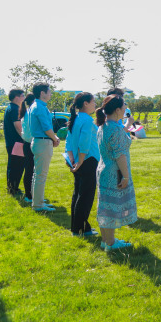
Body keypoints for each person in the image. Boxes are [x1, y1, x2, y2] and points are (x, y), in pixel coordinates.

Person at [95, 95, 137, 251]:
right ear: (117, 110)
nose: (125, 108)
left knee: (105, 206)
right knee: (111, 208)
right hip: (114, 172)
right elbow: (120, 155)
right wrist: (125, 176)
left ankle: (106, 240)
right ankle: (111, 243)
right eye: (124, 106)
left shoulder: (103, 126)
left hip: (103, 169)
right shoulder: (115, 129)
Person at [65, 92, 99, 236]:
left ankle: (79, 227)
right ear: (85, 103)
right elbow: (84, 143)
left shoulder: (76, 118)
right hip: (87, 161)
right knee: (85, 196)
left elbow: (68, 143)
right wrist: (79, 162)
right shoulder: (87, 120)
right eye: (93, 102)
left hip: (79, 161)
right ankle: (79, 229)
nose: (95, 104)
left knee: (78, 194)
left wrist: (73, 160)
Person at [29, 82, 60, 212]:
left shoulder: (35, 105)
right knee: (41, 175)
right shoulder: (40, 107)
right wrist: (55, 138)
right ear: (42, 93)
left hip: (39, 142)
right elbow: (46, 128)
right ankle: (38, 205)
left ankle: (37, 201)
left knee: (37, 174)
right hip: (42, 142)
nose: (51, 94)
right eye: (49, 91)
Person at [4, 88, 26, 196]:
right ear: (17, 97)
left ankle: (12, 187)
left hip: (12, 142)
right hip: (16, 143)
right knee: (16, 166)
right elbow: (18, 126)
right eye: (23, 96)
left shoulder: (11, 107)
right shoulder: (15, 109)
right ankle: (13, 189)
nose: (24, 98)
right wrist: (25, 138)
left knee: (13, 166)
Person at [18, 94, 35, 203]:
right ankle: (29, 195)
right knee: (30, 170)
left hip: (26, 143)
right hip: (30, 143)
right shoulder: (31, 113)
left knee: (29, 169)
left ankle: (30, 194)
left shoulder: (25, 112)